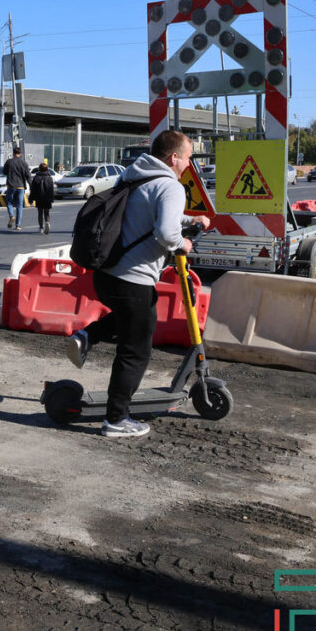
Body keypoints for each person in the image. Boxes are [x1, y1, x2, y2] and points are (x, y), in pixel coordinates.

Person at [65, 130, 210, 438]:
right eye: (187, 158)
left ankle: (86, 336)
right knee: (136, 351)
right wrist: (182, 243)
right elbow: (165, 233)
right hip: (134, 280)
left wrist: (189, 221)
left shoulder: (134, 176)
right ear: (174, 158)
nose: (189, 164)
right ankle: (117, 420)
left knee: (135, 317)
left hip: (107, 275)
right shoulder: (171, 186)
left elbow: (146, 214)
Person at [2, 146, 31, 230]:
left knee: (9, 202)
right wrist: (32, 186)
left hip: (11, 186)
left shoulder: (9, 162)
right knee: (19, 205)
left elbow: (4, 172)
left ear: (13, 153)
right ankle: (18, 225)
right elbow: (28, 176)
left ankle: (11, 215)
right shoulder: (24, 163)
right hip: (21, 187)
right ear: (20, 154)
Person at [28, 162, 55, 234]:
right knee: (47, 212)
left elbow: (33, 190)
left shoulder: (36, 178)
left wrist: (30, 199)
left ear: (39, 169)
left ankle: (41, 227)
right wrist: (52, 199)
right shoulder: (49, 178)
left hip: (39, 198)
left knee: (40, 213)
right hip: (47, 198)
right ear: (46, 169)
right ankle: (47, 222)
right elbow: (51, 190)